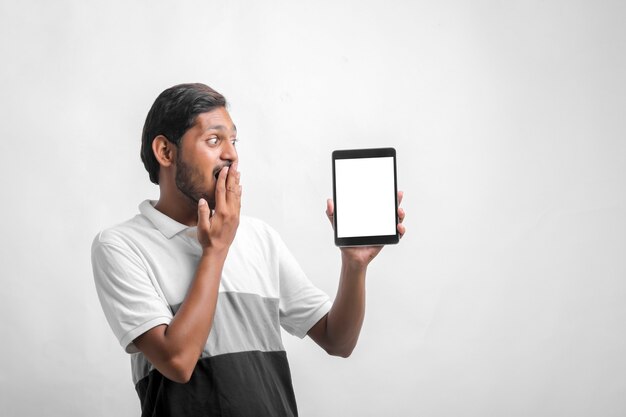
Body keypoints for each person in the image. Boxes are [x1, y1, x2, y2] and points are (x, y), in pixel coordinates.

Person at [91, 83, 406, 416]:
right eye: (214, 140)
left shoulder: (259, 237)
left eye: (234, 140)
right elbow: (178, 361)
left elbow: (338, 341)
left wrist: (354, 265)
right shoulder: (120, 246)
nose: (231, 154)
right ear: (166, 152)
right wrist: (216, 250)